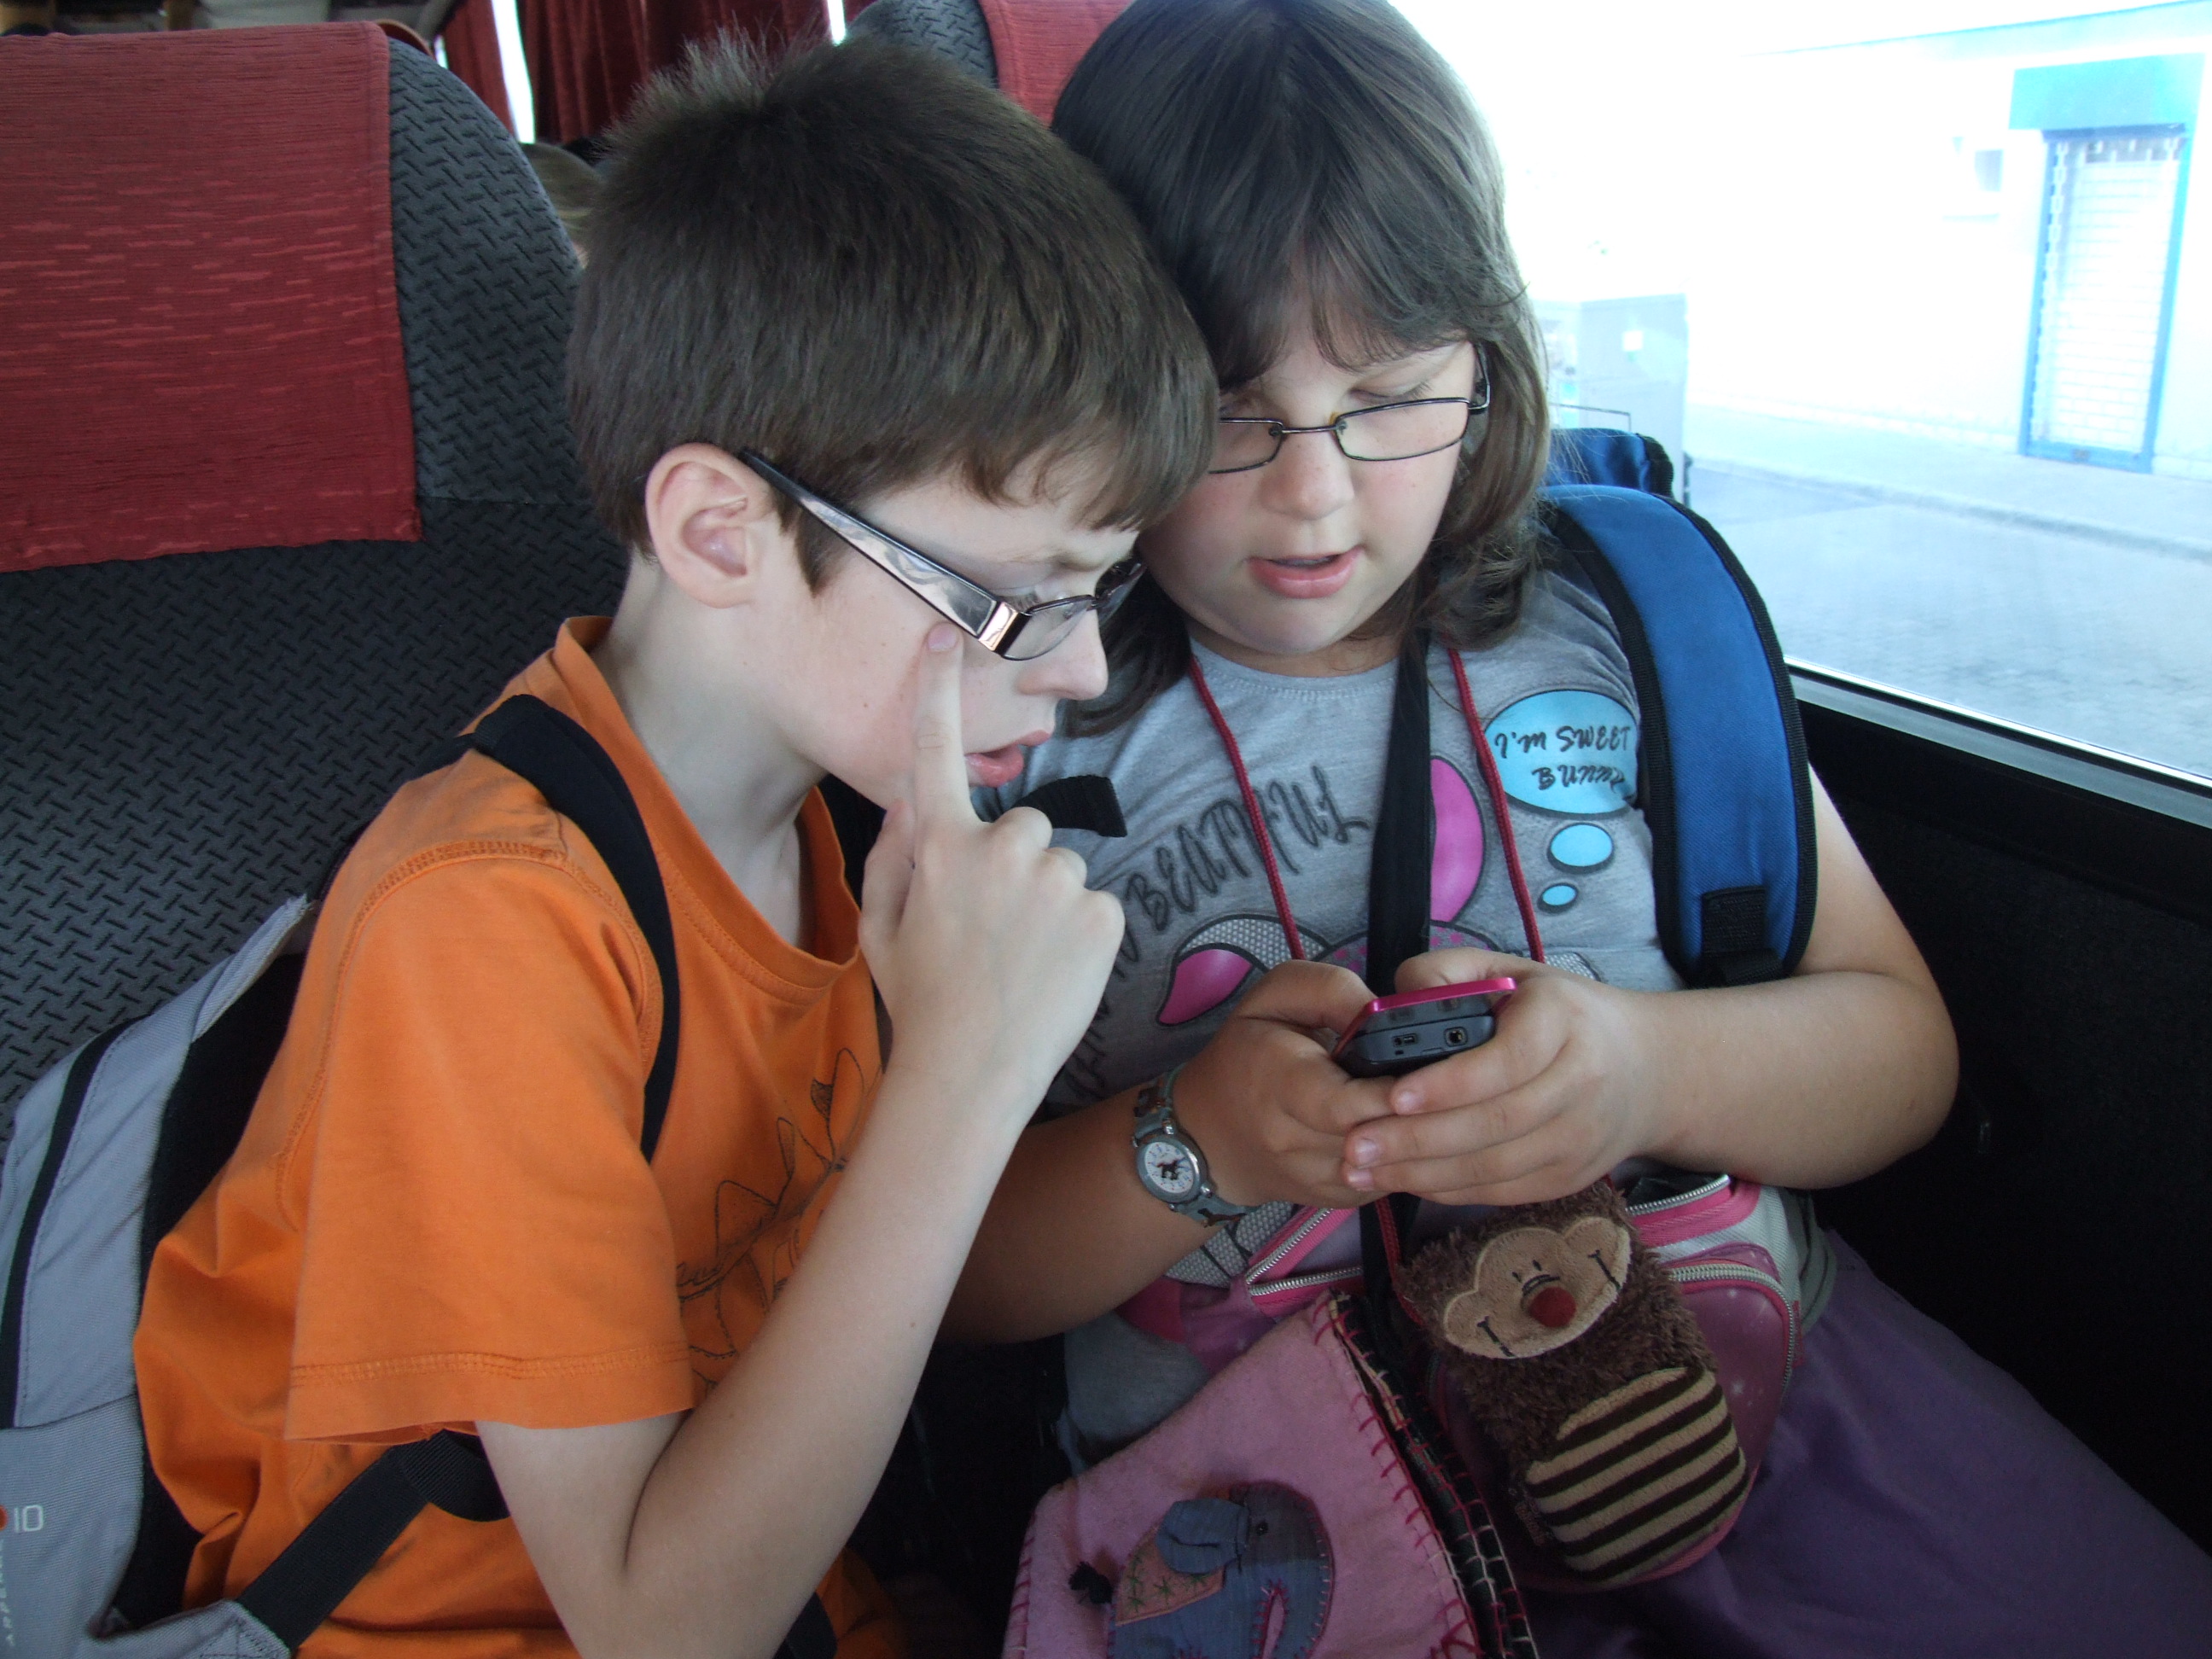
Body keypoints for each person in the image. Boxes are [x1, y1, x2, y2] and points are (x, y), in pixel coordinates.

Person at [955, 1, 2212, 1653]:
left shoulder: (1623, 629)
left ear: (1486, 369)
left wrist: (1638, 1071)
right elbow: (942, 1278)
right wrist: (1200, 1145)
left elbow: (1903, 1055)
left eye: (1390, 396)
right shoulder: (1011, 728)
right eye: (1227, 414)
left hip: (1753, 1386)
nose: (1316, 492)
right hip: (1277, 1527)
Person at [130, 36, 1212, 1659]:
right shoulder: (489, 927)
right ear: (722, 533)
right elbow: (660, 1628)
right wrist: (968, 1071)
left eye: (1100, 588)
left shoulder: (822, 816)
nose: (1076, 670)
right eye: (1018, 600)